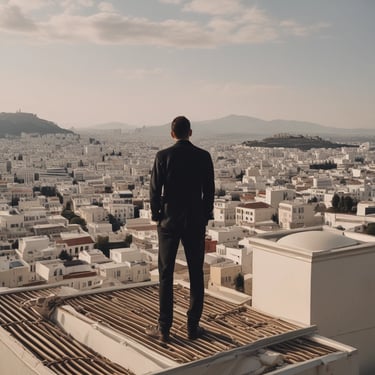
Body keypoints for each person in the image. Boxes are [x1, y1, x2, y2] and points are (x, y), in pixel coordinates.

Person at [146, 115, 215, 343]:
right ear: (190, 133)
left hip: (169, 221)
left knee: (166, 273)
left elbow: (155, 190)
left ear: (172, 134)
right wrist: (204, 215)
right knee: (196, 272)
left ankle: (164, 328)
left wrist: (158, 216)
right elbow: (209, 191)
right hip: (194, 221)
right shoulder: (203, 157)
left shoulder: (163, 156)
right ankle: (192, 327)